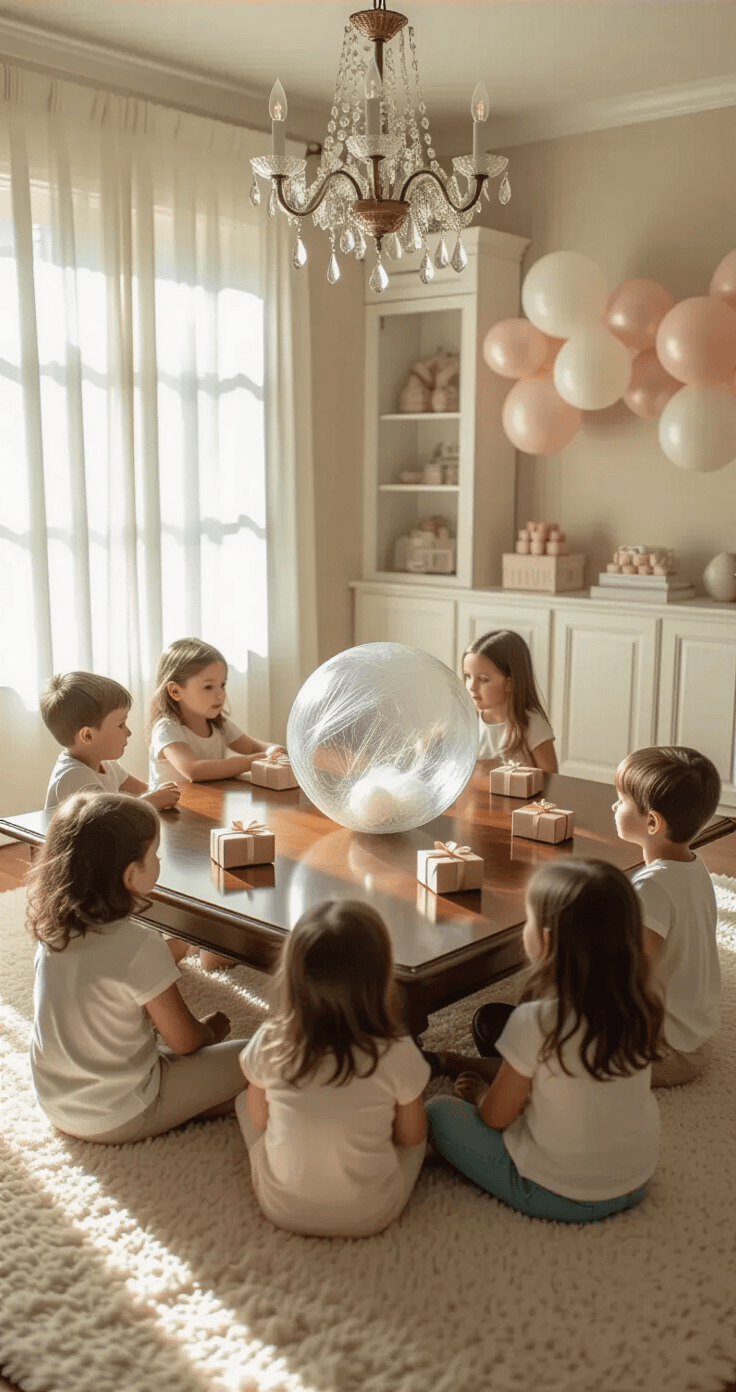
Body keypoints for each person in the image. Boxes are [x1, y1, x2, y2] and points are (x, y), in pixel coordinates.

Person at [425, 860, 663, 1223]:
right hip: (635, 1179)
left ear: (547, 940)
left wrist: (478, 1097)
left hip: (559, 1192)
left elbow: (495, 1118)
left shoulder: (536, 1021)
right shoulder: (641, 1007)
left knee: (438, 1112)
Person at [28, 790, 249, 1144]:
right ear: (131, 875)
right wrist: (213, 1029)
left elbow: (103, 999)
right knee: (262, 1054)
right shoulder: (138, 943)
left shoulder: (52, 930)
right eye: (156, 855)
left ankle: (190, 1100)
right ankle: (181, 1109)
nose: (160, 861)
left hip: (57, 1103)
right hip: (119, 1112)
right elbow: (185, 1042)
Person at [236, 899, 430, 1237]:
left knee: (244, 1101)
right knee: (425, 1130)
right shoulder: (399, 1052)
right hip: (371, 1214)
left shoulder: (271, 1041)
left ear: (293, 978)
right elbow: (410, 1137)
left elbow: (259, 1119)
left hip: (281, 1208)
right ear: (382, 978)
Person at [613, 745, 722, 1088]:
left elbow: (637, 980)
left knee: (564, 1065)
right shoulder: (693, 866)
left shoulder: (651, 889)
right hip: (694, 1036)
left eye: (621, 799)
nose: (614, 806)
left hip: (665, 1051)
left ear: (651, 821)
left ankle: (484, 1079)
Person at [148, 638, 283, 788]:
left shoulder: (219, 724)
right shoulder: (167, 729)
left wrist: (273, 750)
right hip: (171, 809)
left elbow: (253, 746)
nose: (221, 694)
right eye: (208, 687)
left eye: (222, 684)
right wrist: (255, 760)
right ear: (175, 691)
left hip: (210, 804)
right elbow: (193, 770)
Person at [41, 672, 180, 811]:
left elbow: (145, 790)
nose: (128, 732)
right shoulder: (74, 776)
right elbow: (107, 818)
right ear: (87, 736)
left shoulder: (107, 765)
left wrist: (161, 793)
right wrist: (151, 801)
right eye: (121, 725)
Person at [463, 630, 557, 770]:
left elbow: (552, 780)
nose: (471, 686)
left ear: (509, 683)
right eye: (468, 677)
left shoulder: (531, 724)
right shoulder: (467, 722)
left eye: (483, 679)